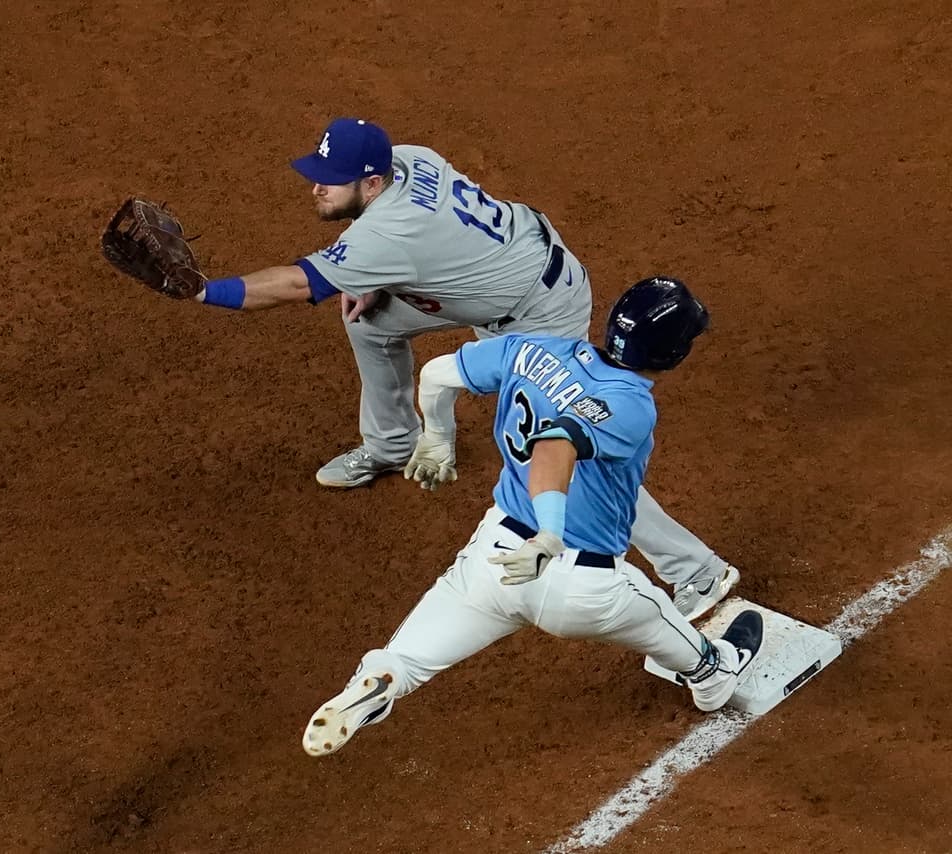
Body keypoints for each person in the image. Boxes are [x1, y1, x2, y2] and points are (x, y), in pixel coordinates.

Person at [189, 116, 736, 621]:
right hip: (499, 278)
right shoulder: (409, 157)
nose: (316, 187)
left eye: (332, 181)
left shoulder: (388, 232)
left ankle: (696, 571)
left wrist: (202, 291)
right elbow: (428, 241)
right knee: (371, 323)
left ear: (373, 183)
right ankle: (391, 445)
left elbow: (296, 284)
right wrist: (374, 278)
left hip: (540, 311)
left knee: (560, 451)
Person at [301, 277, 764, 756]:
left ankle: (383, 676)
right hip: (581, 586)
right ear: (674, 353)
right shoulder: (632, 404)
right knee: (659, 619)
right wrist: (548, 535)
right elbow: (555, 446)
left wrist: (437, 438)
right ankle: (714, 673)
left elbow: (438, 374)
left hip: (493, 559)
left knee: (407, 658)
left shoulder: (534, 348)